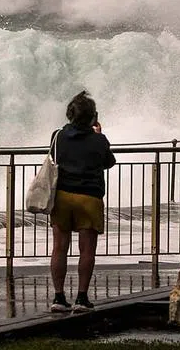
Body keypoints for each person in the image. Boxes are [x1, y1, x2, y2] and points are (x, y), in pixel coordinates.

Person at [49, 90, 116, 313]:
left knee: (59, 248)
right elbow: (108, 162)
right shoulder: (99, 140)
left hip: (62, 197)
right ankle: (81, 298)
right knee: (87, 250)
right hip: (89, 197)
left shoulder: (57, 136)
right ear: (92, 117)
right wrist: (98, 134)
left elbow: (55, 158)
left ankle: (58, 298)